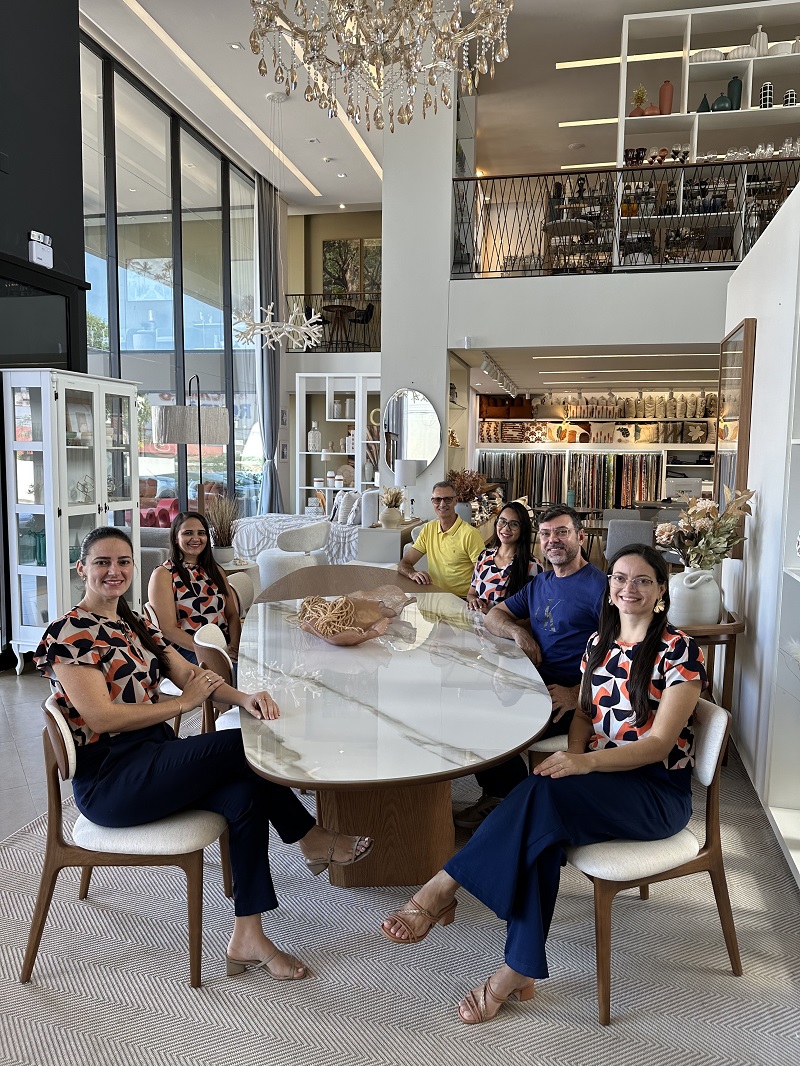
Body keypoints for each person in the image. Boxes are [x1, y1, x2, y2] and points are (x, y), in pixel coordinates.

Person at [381, 544, 705, 1024]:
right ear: (609, 588)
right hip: (600, 782)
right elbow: (584, 715)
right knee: (543, 828)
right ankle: (517, 970)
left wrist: (584, 765)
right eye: (620, 578)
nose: (628, 588)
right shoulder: (600, 643)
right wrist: (572, 756)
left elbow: (659, 746)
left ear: (661, 591)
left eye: (643, 580)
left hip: (655, 792)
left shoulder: (680, 651)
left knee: (541, 793)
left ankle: (443, 886)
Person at [36, 526, 373, 981]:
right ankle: (309, 836)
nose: (114, 571)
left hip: (155, 756)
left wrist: (242, 697)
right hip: (112, 781)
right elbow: (101, 718)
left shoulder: (134, 624)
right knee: (243, 747)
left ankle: (247, 936)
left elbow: (192, 676)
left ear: (133, 567)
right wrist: (181, 706)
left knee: (245, 795)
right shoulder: (69, 633)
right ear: (82, 569)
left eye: (123, 562)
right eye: (102, 562)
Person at [456, 505, 606, 829]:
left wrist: (576, 694)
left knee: (497, 725)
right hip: (533, 679)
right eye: (546, 534)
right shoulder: (542, 583)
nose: (553, 540)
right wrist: (518, 632)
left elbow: (619, 657)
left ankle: (512, 808)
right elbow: (494, 615)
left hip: (570, 692)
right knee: (466, 706)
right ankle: (502, 797)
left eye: (562, 532)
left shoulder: (600, 588)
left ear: (581, 537)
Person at [148, 511, 241, 671]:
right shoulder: (163, 574)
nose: (196, 538)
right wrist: (212, 652)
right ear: (175, 538)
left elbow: (232, 615)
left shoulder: (215, 570)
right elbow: (168, 630)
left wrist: (234, 644)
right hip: (186, 650)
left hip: (223, 645)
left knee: (260, 667)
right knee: (240, 675)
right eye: (188, 533)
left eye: (201, 533)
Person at [397, 481, 485, 597]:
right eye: (437, 500)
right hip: (435, 596)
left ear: (456, 501)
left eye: (447, 499)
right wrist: (412, 574)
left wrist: (472, 597)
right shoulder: (428, 529)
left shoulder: (470, 534)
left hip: (461, 599)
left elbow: (483, 574)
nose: (442, 504)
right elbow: (404, 563)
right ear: (432, 502)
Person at [466, 502, 541, 614]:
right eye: (502, 521)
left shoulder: (532, 565)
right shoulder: (485, 556)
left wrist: (492, 615)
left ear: (523, 529)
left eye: (514, 524)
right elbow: (471, 594)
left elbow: (533, 613)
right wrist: (474, 601)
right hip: (477, 623)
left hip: (503, 625)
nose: (506, 528)